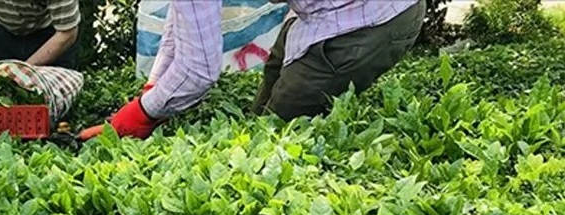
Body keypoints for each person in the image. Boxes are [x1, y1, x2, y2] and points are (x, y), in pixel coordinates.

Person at [83, 0, 427, 139]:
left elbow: (197, 72)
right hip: (319, 14)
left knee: (274, 139)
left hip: (372, 17)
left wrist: (142, 114)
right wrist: (154, 88)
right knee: (261, 120)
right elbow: (183, 19)